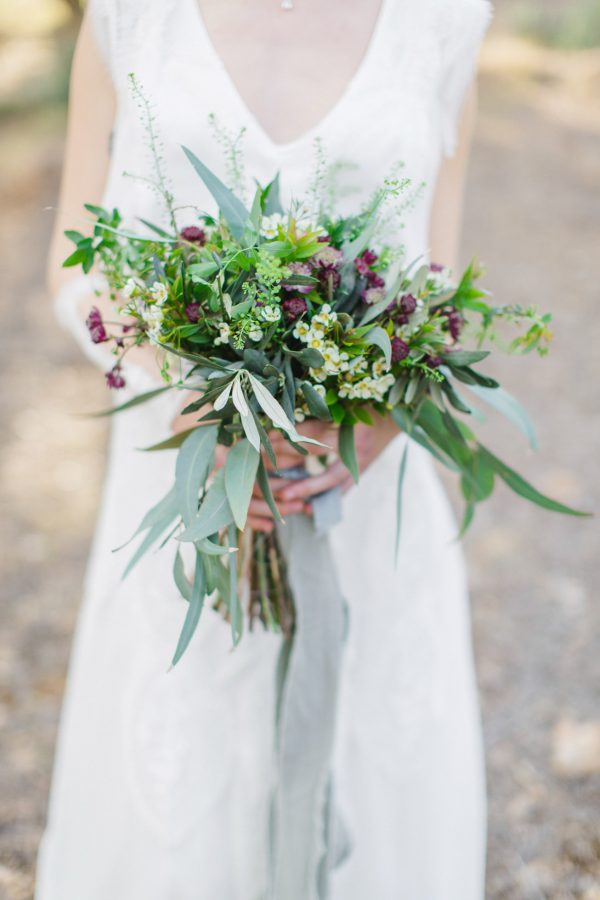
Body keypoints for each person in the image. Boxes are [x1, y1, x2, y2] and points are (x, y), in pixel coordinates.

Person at [38, 1, 492, 897]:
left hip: (361, 506)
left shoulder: (446, 20)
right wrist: (187, 409)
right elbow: (72, 269)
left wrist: (366, 434)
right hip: (180, 488)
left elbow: (443, 292)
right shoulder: (130, 16)